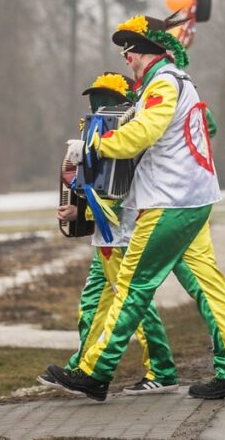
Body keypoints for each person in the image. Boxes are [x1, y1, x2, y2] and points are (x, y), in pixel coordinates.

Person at [46, 14, 225, 401]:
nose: (127, 56)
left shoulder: (163, 82)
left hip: (169, 202)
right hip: (194, 199)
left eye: (132, 48)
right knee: (210, 289)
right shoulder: (177, 81)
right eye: (124, 49)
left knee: (131, 287)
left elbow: (143, 134)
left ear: (153, 50)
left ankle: (93, 372)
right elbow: (202, 126)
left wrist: (92, 146)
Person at [39, 73, 180, 395]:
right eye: (95, 98)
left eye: (104, 97)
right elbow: (95, 186)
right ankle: (81, 365)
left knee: (134, 306)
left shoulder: (130, 137)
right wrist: (79, 209)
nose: (97, 104)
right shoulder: (95, 135)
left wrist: (84, 211)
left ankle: (162, 369)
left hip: (123, 236)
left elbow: (119, 194)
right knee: (92, 304)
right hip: (104, 237)